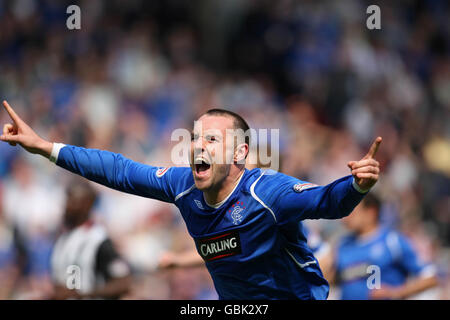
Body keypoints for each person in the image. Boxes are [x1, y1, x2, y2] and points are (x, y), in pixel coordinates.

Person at [1, 100, 382, 299]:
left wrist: (357, 186)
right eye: (196, 138)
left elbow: (328, 202)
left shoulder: (268, 193)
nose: (198, 146)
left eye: (211, 140)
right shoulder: (183, 187)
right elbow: (117, 170)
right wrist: (45, 147)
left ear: (240, 154)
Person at [320, 193, 438, 300]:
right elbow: (328, 281)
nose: (345, 218)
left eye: (351, 212)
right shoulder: (342, 245)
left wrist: (396, 292)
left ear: (371, 212)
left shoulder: (392, 241)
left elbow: (431, 277)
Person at [49, 178, 131, 299]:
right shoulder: (63, 239)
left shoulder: (98, 239)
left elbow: (123, 283)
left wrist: (84, 294)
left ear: (87, 204)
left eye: (71, 200)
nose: (66, 206)